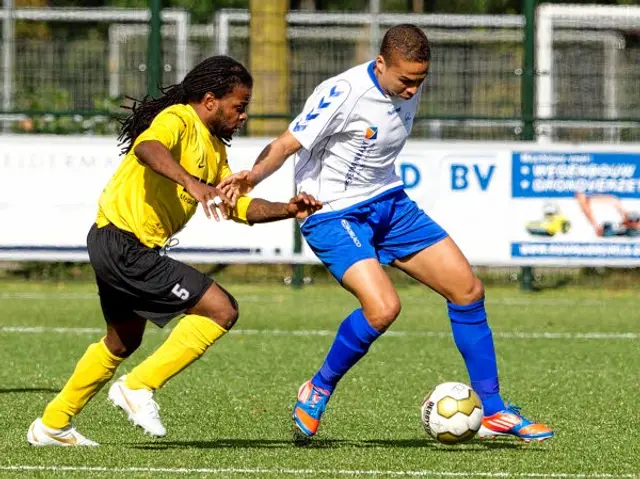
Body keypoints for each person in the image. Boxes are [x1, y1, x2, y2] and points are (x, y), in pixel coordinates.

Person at [219, 25, 553, 442]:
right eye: (405, 80)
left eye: (420, 81)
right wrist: (250, 178)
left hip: (390, 202)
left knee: (468, 290)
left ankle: (495, 411)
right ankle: (317, 388)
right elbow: (288, 143)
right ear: (380, 65)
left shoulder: (406, 83)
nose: (413, 90)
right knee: (383, 308)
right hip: (333, 212)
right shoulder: (343, 92)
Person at [27, 55, 321, 447]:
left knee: (122, 341)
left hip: (114, 243)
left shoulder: (215, 150)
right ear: (212, 100)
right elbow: (147, 147)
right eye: (240, 105)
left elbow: (236, 206)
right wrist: (193, 184)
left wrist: (287, 209)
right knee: (221, 309)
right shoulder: (179, 118)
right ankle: (138, 387)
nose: (244, 115)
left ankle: (52, 425)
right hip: (123, 243)